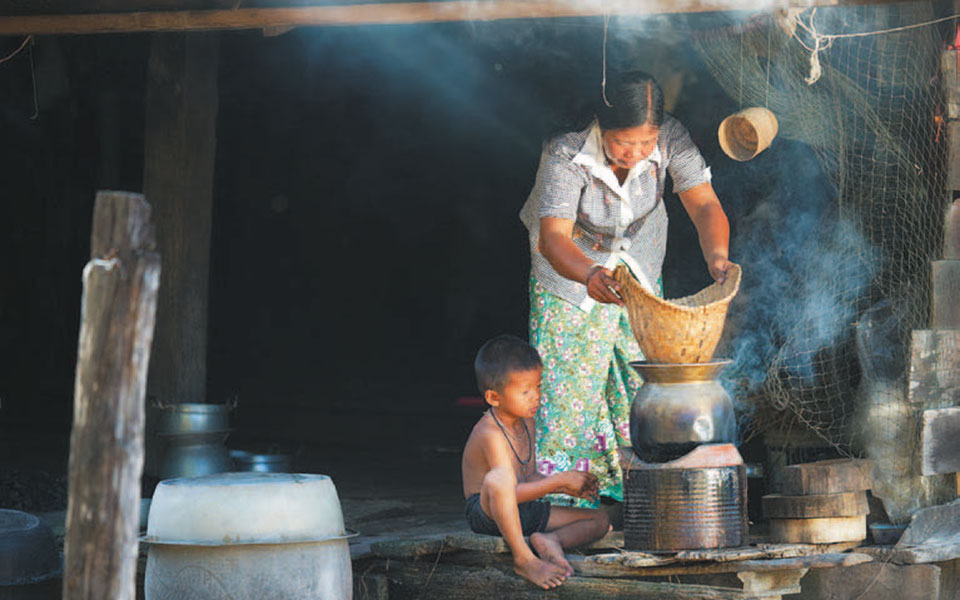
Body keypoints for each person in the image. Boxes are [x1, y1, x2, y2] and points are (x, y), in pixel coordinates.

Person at [519, 70, 735, 509]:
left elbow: (705, 203)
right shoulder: (566, 150)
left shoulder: (672, 137)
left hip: (637, 256)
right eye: (624, 144)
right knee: (570, 382)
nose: (636, 154)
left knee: (639, 373)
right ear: (602, 125)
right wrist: (590, 275)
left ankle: (632, 488)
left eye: (645, 144)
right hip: (569, 264)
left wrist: (717, 256)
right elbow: (554, 238)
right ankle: (568, 502)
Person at [462, 334, 611, 589]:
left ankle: (552, 541)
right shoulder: (490, 432)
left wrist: (565, 487)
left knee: (600, 520)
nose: (535, 397)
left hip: (521, 509)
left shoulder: (527, 423)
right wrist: (557, 482)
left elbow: (528, 479)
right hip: (486, 512)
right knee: (500, 477)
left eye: (539, 387)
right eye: (525, 391)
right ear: (493, 398)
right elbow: (506, 489)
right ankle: (524, 559)